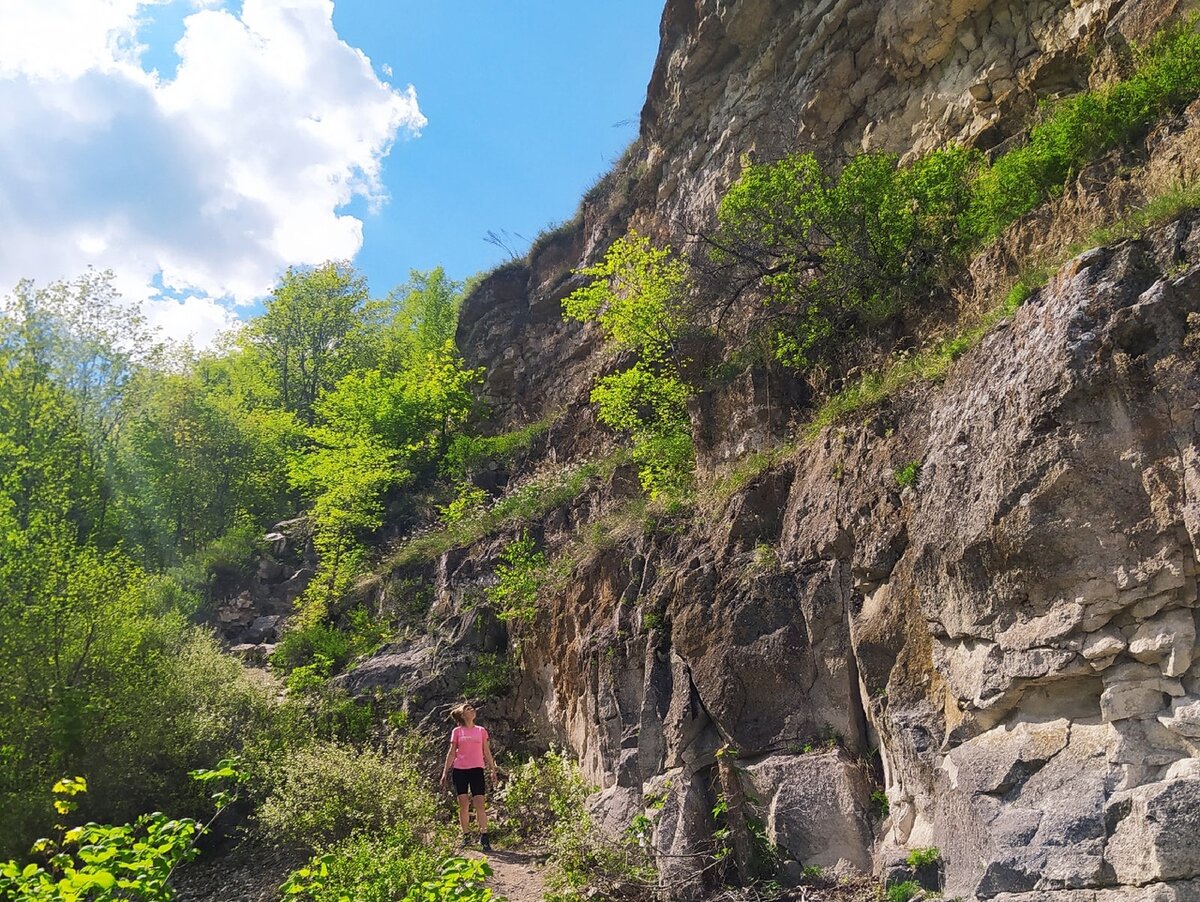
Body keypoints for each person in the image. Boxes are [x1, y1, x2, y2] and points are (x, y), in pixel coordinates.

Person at [440, 701, 498, 850]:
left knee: (480, 803)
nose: (472, 710)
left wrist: (493, 770)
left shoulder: (481, 731)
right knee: (464, 804)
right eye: (468, 709)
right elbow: (452, 752)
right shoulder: (457, 731)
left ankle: (484, 836)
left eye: (472, 708)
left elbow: (486, 751)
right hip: (460, 771)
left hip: (477, 770)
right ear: (462, 714)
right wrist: (445, 772)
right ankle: (466, 835)